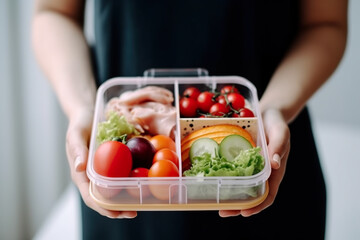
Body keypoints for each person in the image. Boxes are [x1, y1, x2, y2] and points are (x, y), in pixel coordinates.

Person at [32, 0, 348, 239]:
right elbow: (54, 12)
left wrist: (275, 106)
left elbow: (325, 23)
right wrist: (83, 109)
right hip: (127, 188)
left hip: (267, 159)